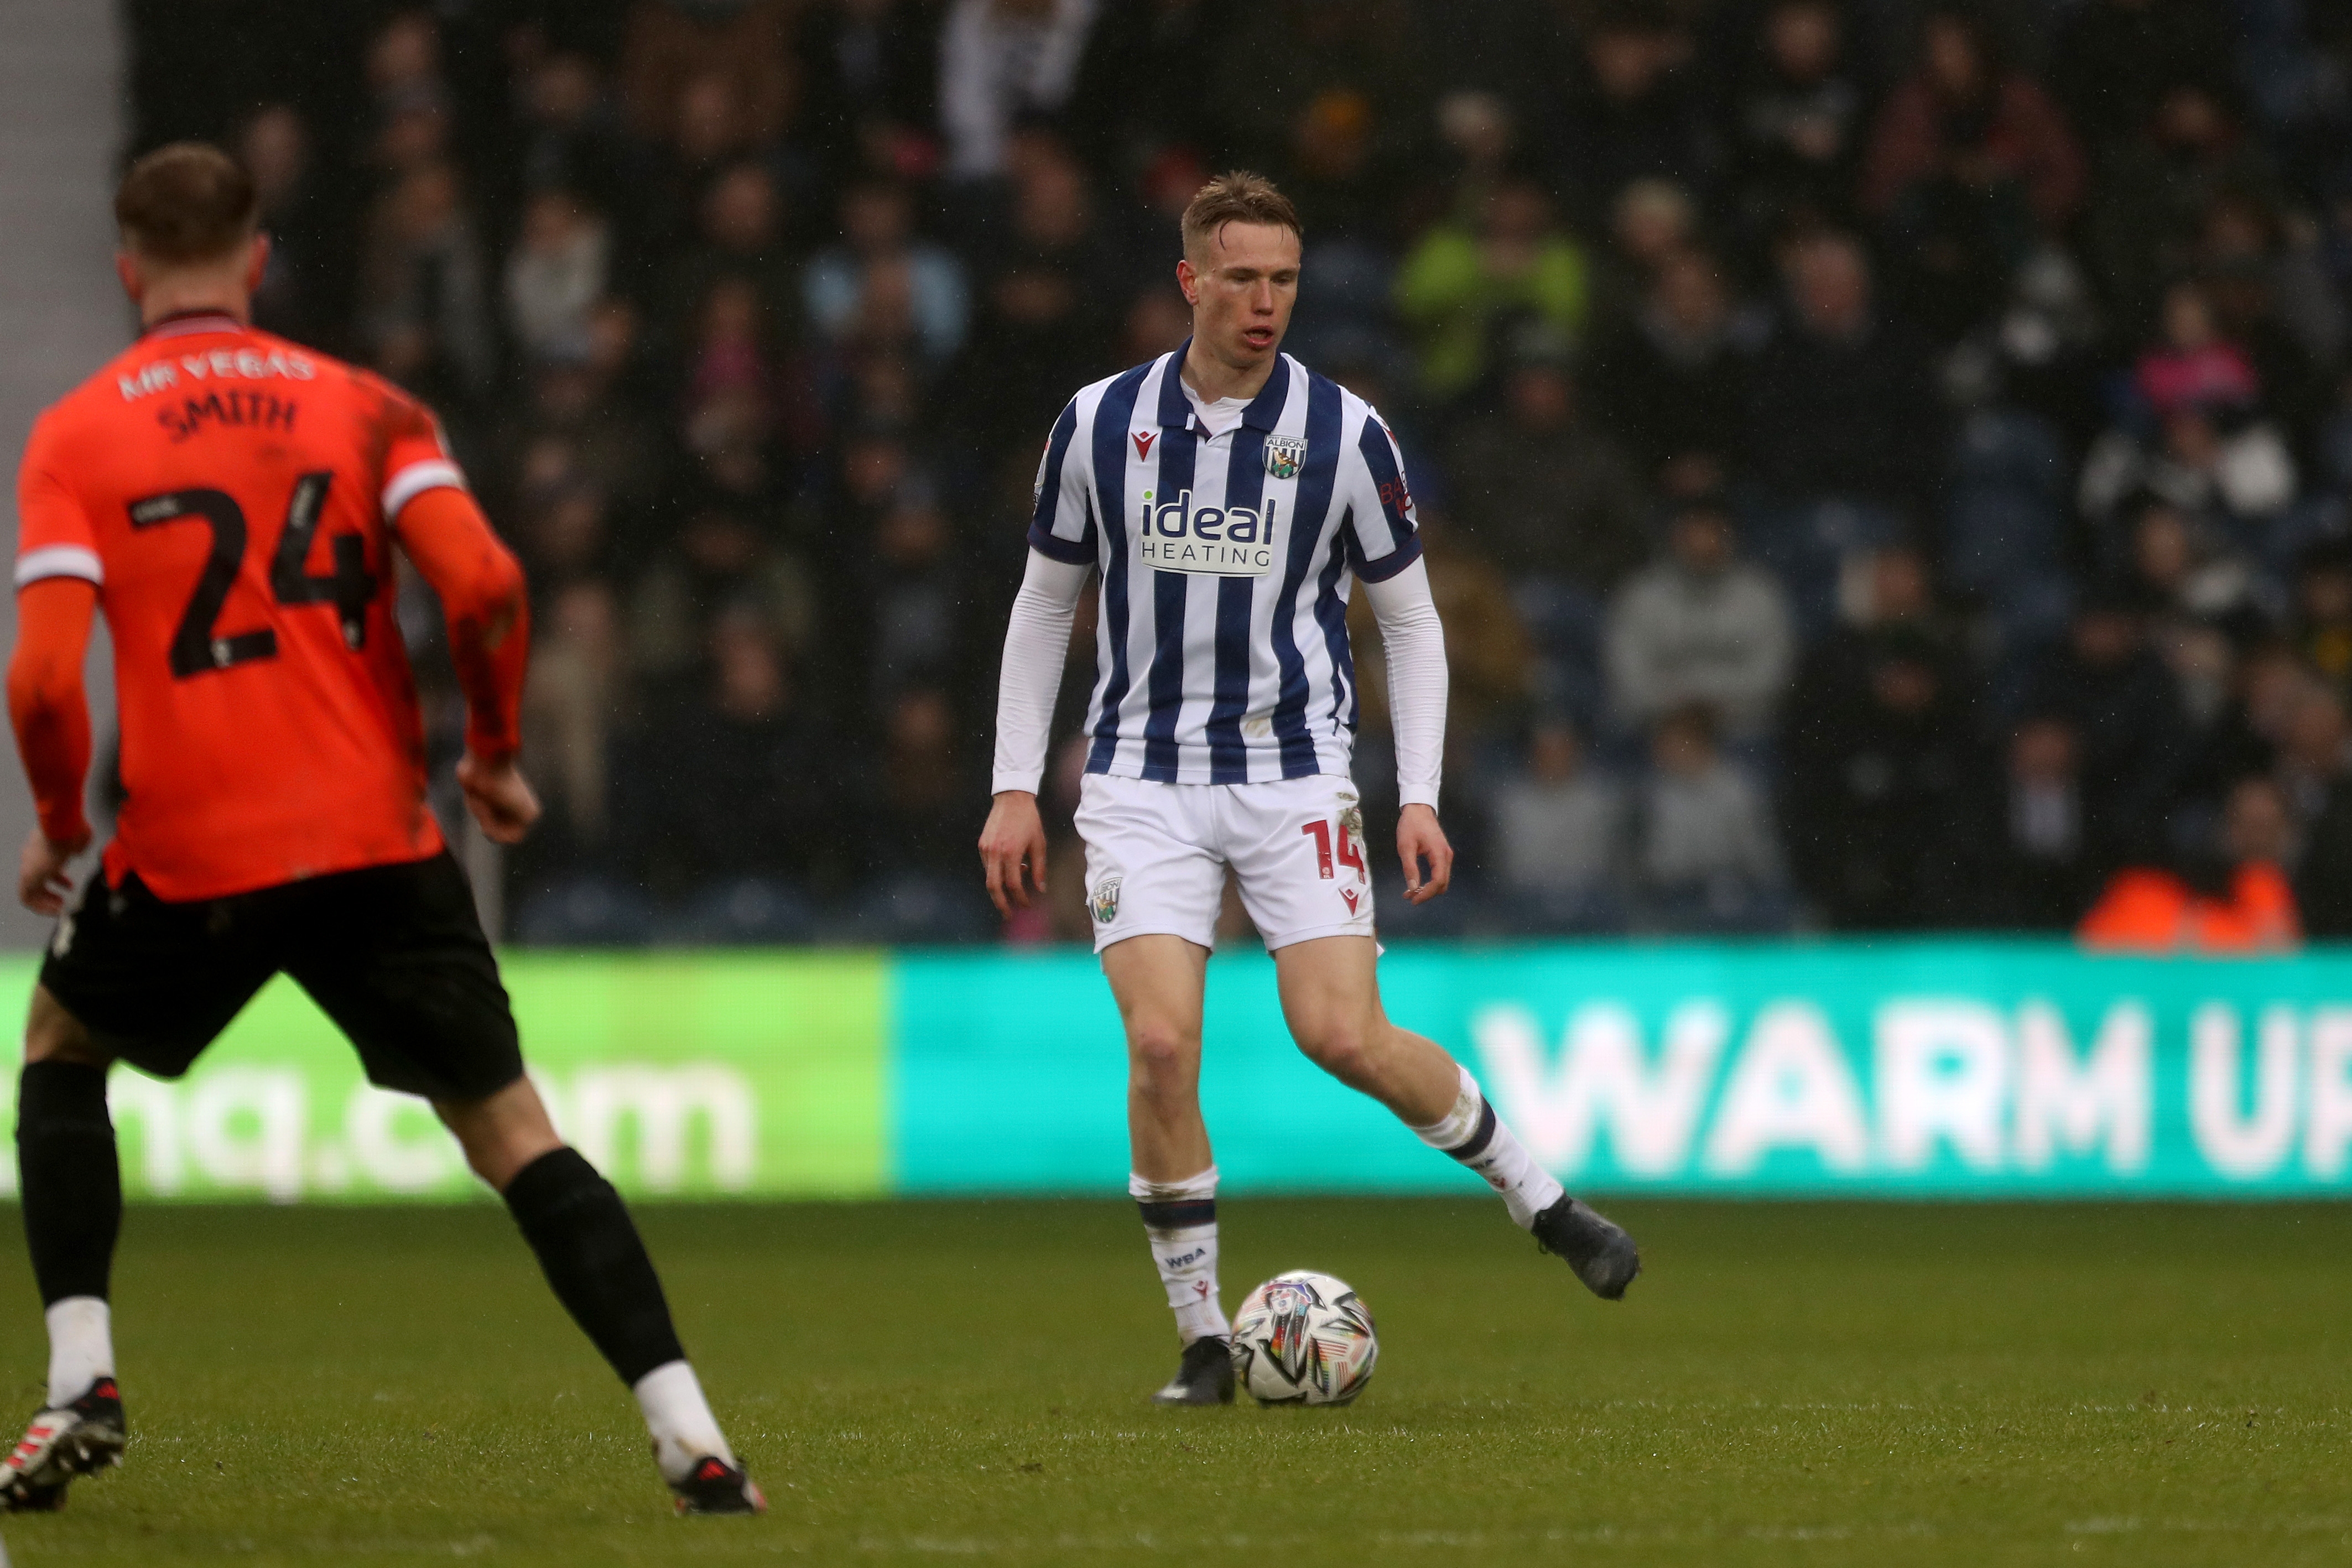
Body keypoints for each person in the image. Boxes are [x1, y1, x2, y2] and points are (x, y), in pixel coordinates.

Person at [0, 145, 761, 1515]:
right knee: (514, 1130)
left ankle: (79, 1382)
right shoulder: (366, 408)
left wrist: (61, 826)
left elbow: (45, 677)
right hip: (374, 838)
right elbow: (484, 580)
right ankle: (690, 1432)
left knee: (59, 1050)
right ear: (258, 259)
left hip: (188, 849)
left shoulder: (79, 435)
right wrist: (496, 751)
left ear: (127, 271)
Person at [978, 172, 1639, 1406]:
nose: (1264, 301)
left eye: (1282, 278)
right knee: (1163, 1043)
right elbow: (1043, 605)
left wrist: (1419, 793)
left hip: (1293, 775)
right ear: (1189, 281)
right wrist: (1015, 785)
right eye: (1240, 277)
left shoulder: (1346, 432)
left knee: (1339, 1033)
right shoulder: (1096, 423)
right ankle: (1199, 1341)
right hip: (1142, 775)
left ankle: (1543, 1204)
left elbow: (1410, 621)